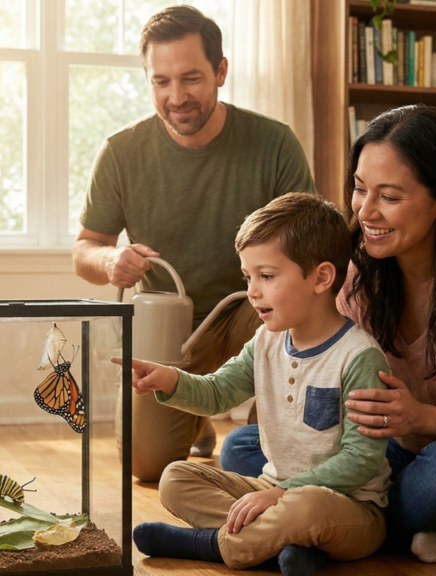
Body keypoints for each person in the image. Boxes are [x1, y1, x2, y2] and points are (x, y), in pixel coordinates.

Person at [219, 105, 436, 564]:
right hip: (394, 454)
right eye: (360, 188)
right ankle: (338, 522)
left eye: (389, 196)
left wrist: (419, 418)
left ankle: (336, 523)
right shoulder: (355, 275)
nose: (366, 211)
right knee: (245, 447)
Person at [72, 5, 315, 481]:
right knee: (145, 468)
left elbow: (310, 251)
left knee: (289, 312)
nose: (176, 96)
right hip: (170, 323)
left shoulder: (274, 143)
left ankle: (265, 445)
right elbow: (85, 248)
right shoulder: (121, 153)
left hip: (253, 310)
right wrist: (109, 260)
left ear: (221, 71)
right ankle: (197, 412)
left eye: (191, 78)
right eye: (161, 82)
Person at [125, 193, 392, 575]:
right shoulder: (265, 342)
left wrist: (285, 494)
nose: (252, 291)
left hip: (349, 508)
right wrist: (169, 380)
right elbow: (218, 393)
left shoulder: (359, 358)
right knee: (175, 477)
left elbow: (361, 460)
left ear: (321, 278)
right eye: (248, 277)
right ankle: (287, 546)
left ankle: (212, 546)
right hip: (270, 491)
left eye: (266, 276)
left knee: (307, 507)